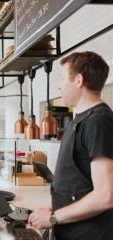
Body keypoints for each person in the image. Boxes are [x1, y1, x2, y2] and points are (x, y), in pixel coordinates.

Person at [28, 52, 113, 240]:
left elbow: (105, 195)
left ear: (79, 80)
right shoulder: (81, 120)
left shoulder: (98, 122)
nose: (59, 85)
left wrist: (53, 217)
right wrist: (56, 207)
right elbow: (82, 185)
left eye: (62, 78)